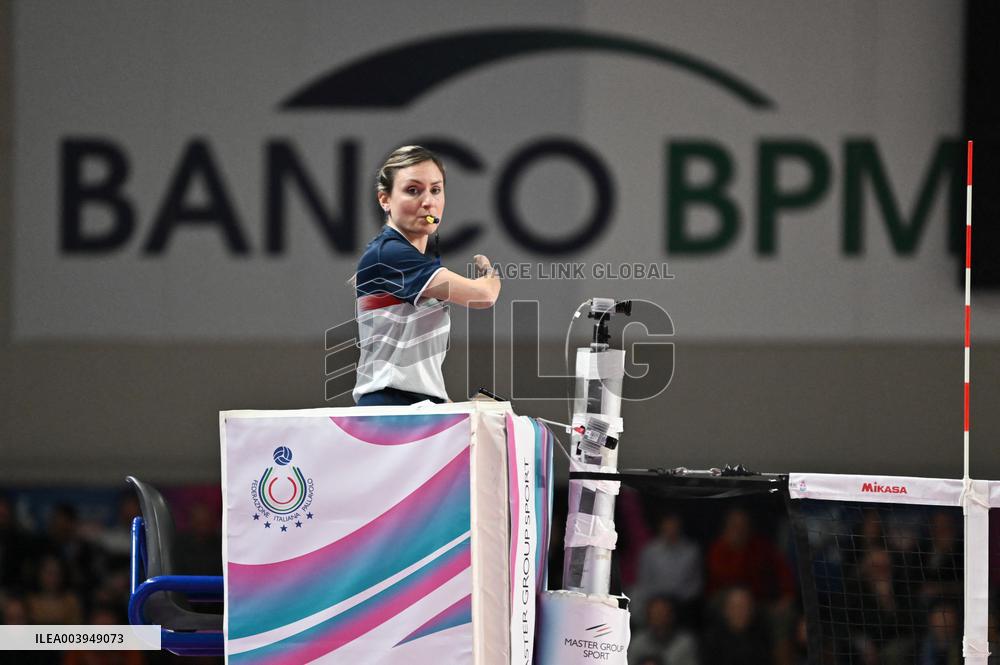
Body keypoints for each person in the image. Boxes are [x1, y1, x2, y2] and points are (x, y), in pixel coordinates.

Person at [353, 145, 500, 406]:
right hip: (390, 406)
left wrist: (449, 406)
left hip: (420, 405)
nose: (428, 202)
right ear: (384, 199)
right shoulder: (389, 254)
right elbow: (484, 296)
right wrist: (490, 273)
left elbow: (413, 366)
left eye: (436, 190)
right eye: (412, 190)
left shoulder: (418, 258)